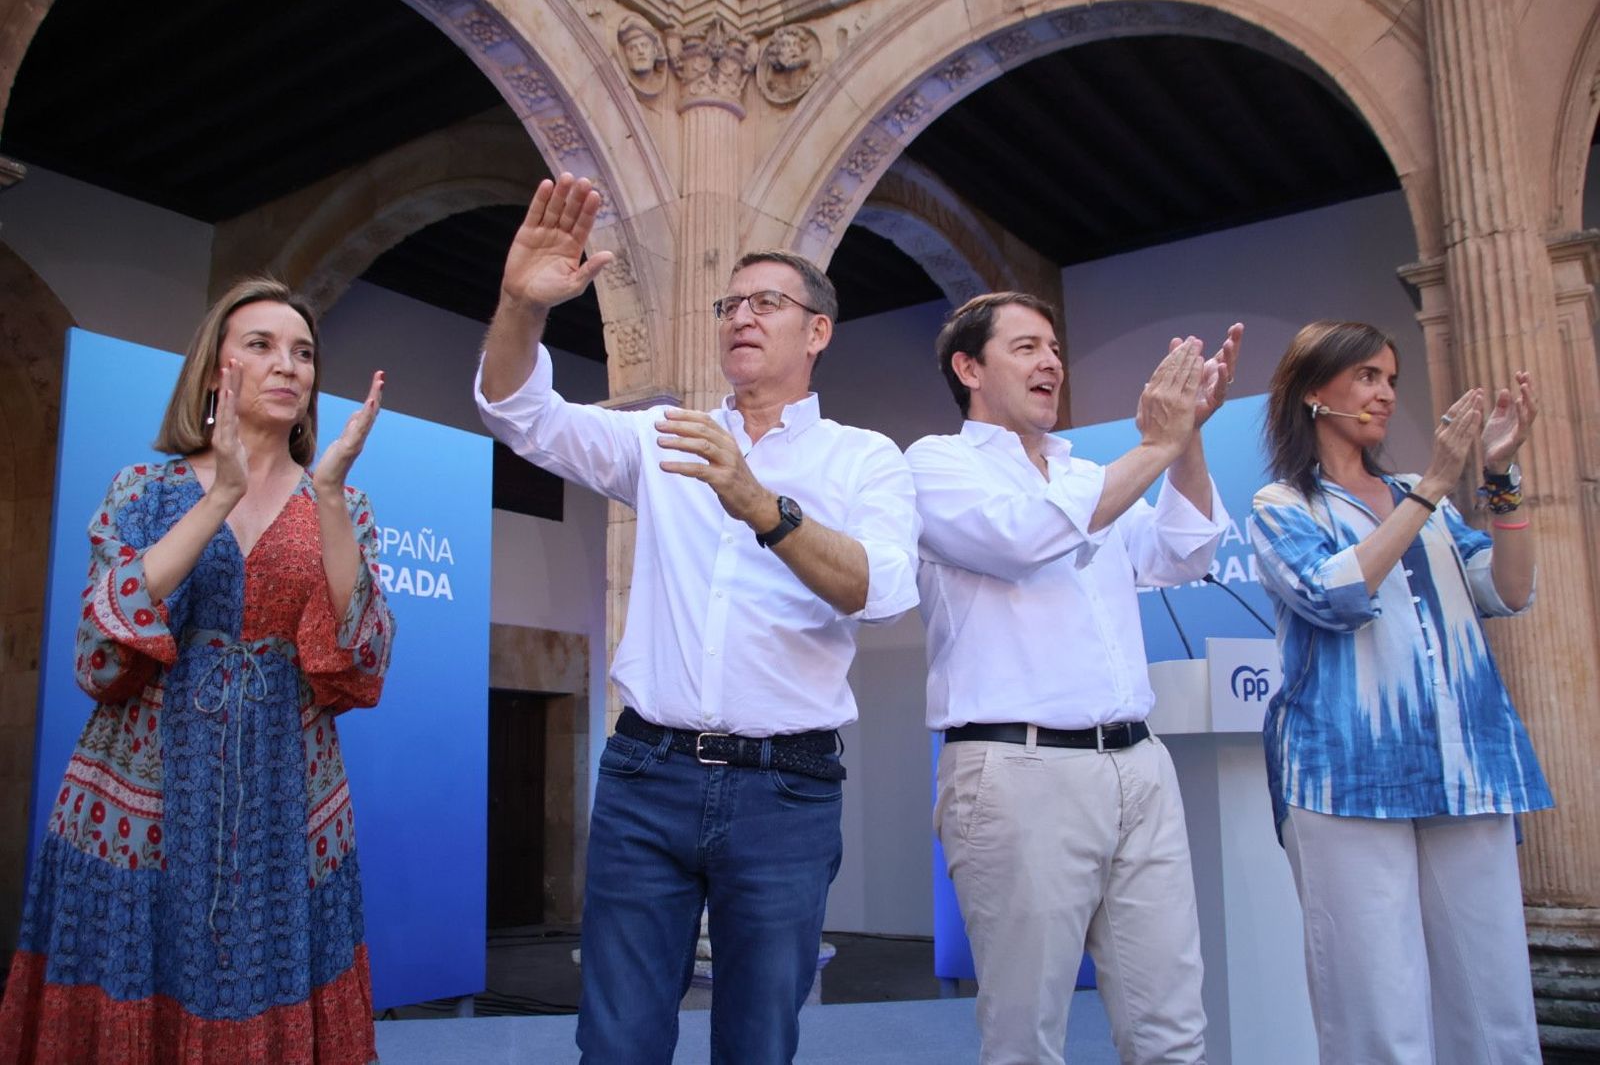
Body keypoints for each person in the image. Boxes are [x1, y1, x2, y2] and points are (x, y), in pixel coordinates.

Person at [476, 173, 919, 1064]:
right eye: (730, 303)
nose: (741, 318)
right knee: (617, 1041)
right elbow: (520, 413)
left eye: (767, 302)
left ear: (818, 331)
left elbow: (881, 589)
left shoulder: (864, 458)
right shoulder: (661, 436)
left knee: (758, 1042)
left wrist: (761, 503)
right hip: (649, 772)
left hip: (786, 789)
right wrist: (520, 306)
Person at [0, 277, 393, 1065]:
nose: (289, 366)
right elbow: (100, 649)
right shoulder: (143, 492)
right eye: (262, 345)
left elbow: (359, 657)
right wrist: (218, 498)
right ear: (217, 371)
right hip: (138, 803)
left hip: (288, 801)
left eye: (304, 352)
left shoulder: (341, 504)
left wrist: (327, 497)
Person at [907, 292, 1241, 1065]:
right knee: (1027, 1036)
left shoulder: (1087, 471)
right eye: (1025, 347)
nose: (1051, 362)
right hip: (1017, 770)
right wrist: (1156, 445)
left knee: (1173, 1027)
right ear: (969, 368)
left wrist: (1185, 438)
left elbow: (1184, 551)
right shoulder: (933, 464)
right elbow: (1025, 540)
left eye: (1053, 347)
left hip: (1138, 766)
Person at [1248, 321, 1548, 1064]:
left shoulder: (1424, 497)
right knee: (1378, 1014)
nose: (1386, 393)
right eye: (1367, 377)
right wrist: (1435, 489)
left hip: (1467, 763)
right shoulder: (1284, 504)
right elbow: (1335, 594)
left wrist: (1500, 475)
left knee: (1496, 1001)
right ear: (1314, 392)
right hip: (1345, 773)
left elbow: (1509, 590)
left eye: (1390, 378)